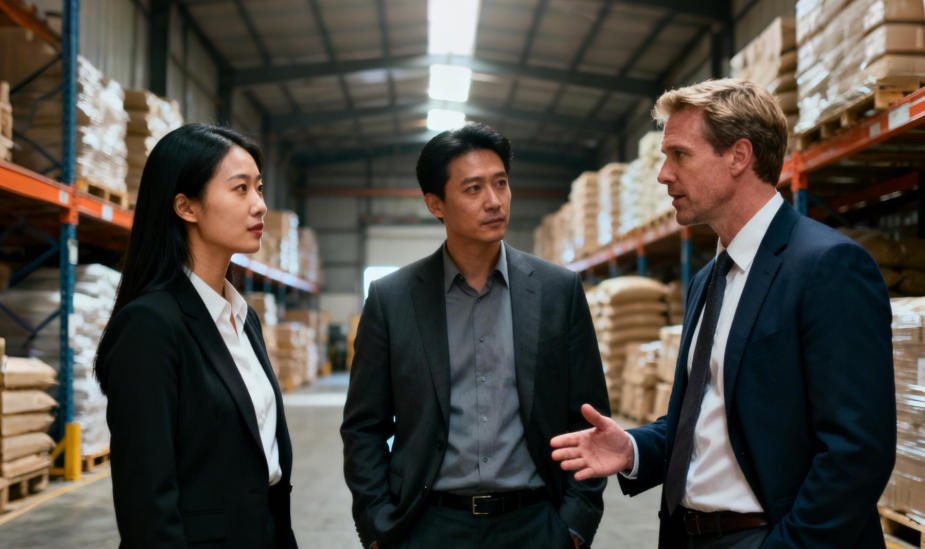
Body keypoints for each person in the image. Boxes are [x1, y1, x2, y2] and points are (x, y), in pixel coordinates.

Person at [550, 79, 895, 548]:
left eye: (680, 155)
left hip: (770, 537)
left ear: (739, 156)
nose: (664, 175)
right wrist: (632, 448)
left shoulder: (827, 266)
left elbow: (857, 451)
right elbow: (705, 418)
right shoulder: (708, 279)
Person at [341, 122, 610, 549]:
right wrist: (378, 528)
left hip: (536, 524)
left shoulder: (558, 290)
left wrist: (575, 526)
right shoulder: (393, 299)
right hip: (428, 526)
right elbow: (364, 426)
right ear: (436, 204)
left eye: (500, 183)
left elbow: (589, 416)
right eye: (473, 189)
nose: (494, 201)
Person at [95, 123, 298, 548]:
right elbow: (147, 501)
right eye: (241, 189)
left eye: (259, 188)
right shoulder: (151, 326)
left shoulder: (242, 317)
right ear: (186, 207)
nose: (260, 206)